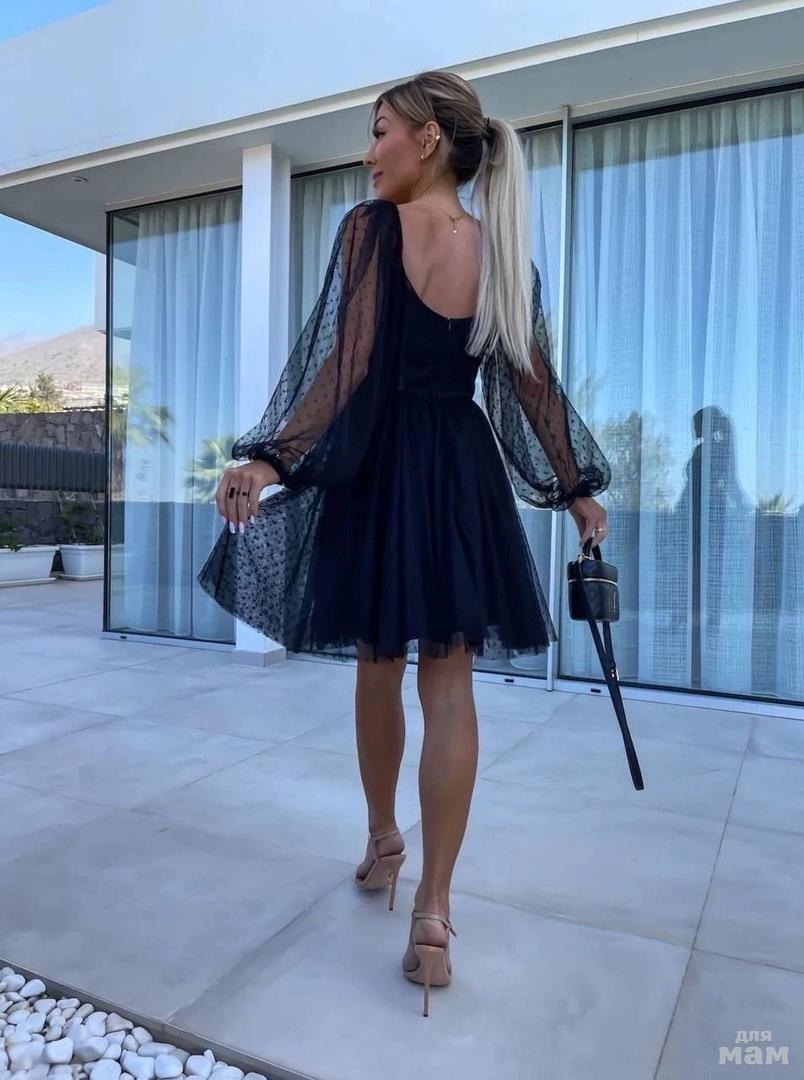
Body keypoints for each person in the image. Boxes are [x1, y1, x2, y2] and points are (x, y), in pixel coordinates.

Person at [197, 69, 611, 1018]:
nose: (368, 152)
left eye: (380, 130)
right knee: (450, 686)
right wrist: (577, 488)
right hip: (459, 475)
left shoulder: (372, 229)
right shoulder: (503, 257)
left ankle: (385, 838)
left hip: (384, 470)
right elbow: (531, 389)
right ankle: (434, 909)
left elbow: (338, 369)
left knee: (376, 666)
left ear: (427, 139)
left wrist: (267, 457)